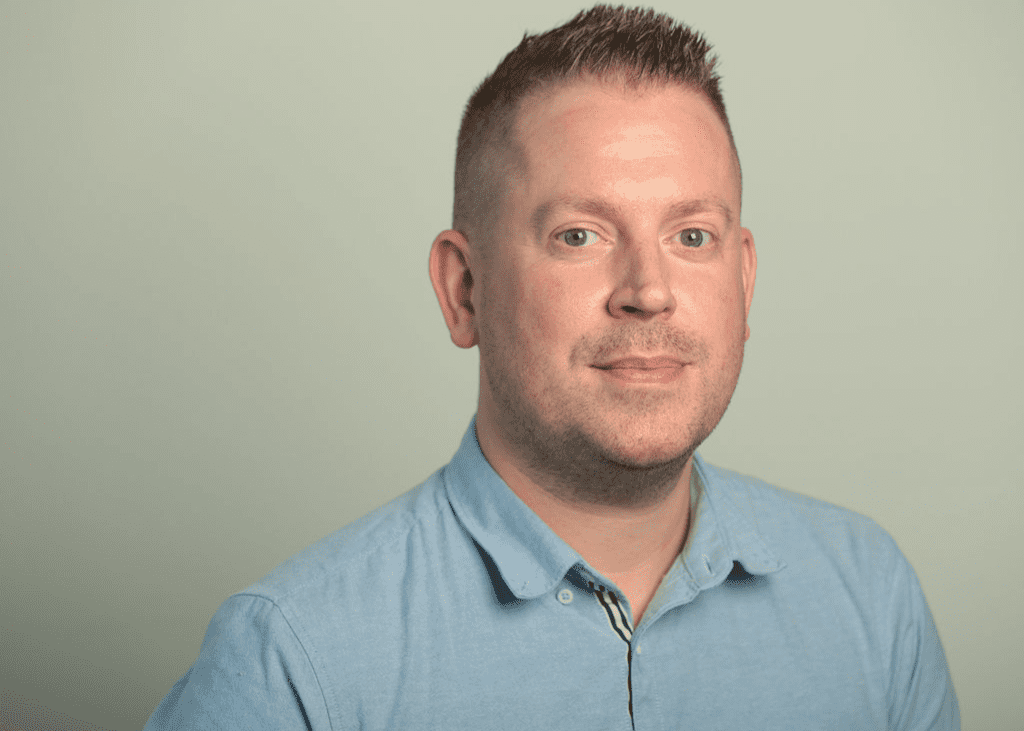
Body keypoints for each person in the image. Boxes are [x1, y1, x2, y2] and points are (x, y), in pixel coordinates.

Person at [144, 5, 959, 729]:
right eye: (579, 235)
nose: (648, 291)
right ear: (464, 290)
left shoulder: (871, 597)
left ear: (743, 283)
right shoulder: (291, 662)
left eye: (691, 236)